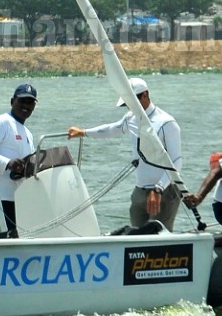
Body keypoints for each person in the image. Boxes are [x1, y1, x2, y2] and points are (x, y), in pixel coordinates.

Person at [67, 77, 183, 230]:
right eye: (126, 104)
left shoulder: (166, 123)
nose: (129, 107)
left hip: (165, 192)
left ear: (145, 95)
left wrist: (158, 189)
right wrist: (83, 132)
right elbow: (111, 129)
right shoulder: (131, 118)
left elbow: (177, 161)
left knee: (157, 238)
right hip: (140, 190)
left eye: (131, 102)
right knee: (135, 237)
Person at [0, 82, 38, 235]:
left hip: (19, 200)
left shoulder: (28, 133)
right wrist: (7, 163)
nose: (26, 106)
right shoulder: (1, 122)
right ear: (12, 101)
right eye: (22, 101)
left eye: (30, 103)